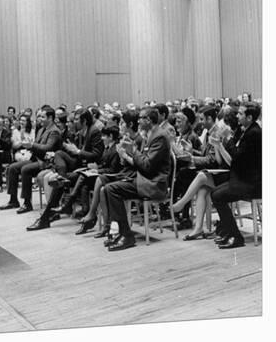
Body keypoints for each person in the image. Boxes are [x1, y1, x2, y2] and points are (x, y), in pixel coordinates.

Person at [102, 107, 171, 251]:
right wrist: (125, 155)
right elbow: (143, 163)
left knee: (112, 189)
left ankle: (125, 235)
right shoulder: (150, 134)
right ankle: (118, 232)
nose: (138, 121)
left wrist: (133, 150)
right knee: (109, 187)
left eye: (141, 118)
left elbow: (147, 166)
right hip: (145, 179)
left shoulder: (159, 136)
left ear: (149, 120)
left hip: (154, 184)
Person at [172, 108, 242, 240]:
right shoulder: (210, 132)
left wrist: (192, 157)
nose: (200, 122)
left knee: (200, 176)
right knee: (202, 189)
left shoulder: (220, 133)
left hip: (226, 174)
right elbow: (212, 157)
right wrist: (192, 151)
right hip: (218, 171)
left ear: (210, 119)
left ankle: (182, 203)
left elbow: (216, 161)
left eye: (202, 119)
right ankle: (198, 228)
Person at [211, 102, 262, 249]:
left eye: (240, 114)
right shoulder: (244, 130)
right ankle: (229, 232)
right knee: (214, 193)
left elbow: (237, 156)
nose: (237, 116)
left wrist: (228, 138)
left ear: (249, 117)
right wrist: (220, 142)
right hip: (241, 178)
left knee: (218, 197)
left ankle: (236, 237)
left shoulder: (254, 133)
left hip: (253, 183)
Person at [0, 107, 62, 214]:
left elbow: (48, 148)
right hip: (36, 159)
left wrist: (32, 145)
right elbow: (36, 145)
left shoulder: (54, 131)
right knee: (12, 168)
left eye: (43, 117)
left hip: (47, 162)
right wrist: (29, 145)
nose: (40, 119)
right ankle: (13, 200)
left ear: (50, 117)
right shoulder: (42, 129)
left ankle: (27, 203)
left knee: (25, 169)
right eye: (39, 116)